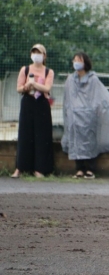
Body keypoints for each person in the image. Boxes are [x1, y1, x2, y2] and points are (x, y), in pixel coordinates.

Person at [61, 52, 109, 179]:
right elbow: (67, 99)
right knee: (75, 141)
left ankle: (90, 168)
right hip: (74, 117)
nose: (76, 62)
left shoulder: (93, 80)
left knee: (90, 141)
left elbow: (99, 97)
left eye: (79, 60)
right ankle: (79, 168)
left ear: (85, 63)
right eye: (75, 60)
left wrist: (92, 111)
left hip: (89, 116)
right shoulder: (70, 80)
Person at [12, 44, 54, 178]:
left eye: (39, 53)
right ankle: (20, 168)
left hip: (42, 103)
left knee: (42, 136)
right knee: (25, 134)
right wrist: (26, 86)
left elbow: (47, 88)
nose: (36, 55)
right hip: (28, 102)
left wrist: (34, 84)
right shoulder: (25, 69)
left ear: (44, 56)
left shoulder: (49, 72)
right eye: (34, 52)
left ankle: (40, 169)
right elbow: (19, 88)